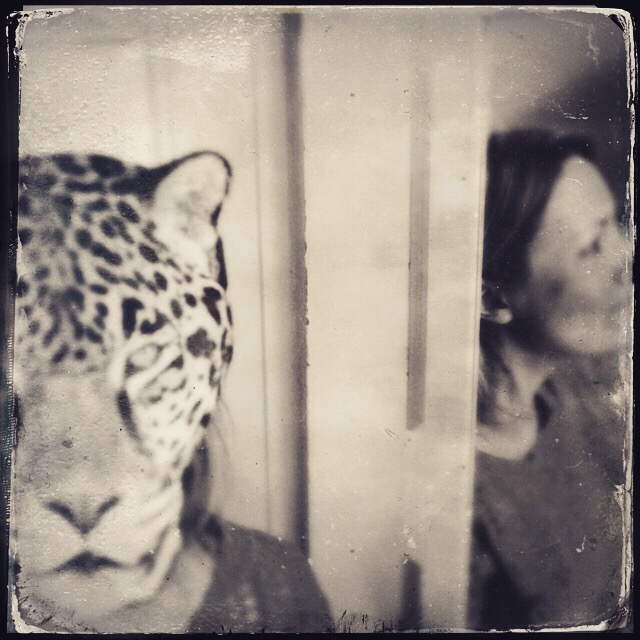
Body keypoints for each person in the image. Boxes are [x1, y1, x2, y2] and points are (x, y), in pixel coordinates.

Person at [468, 130, 631, 629]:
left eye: (615, 223)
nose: (626, 255)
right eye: (592, 246)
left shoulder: (587, 378)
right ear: (493, 299)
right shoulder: (466, 508)